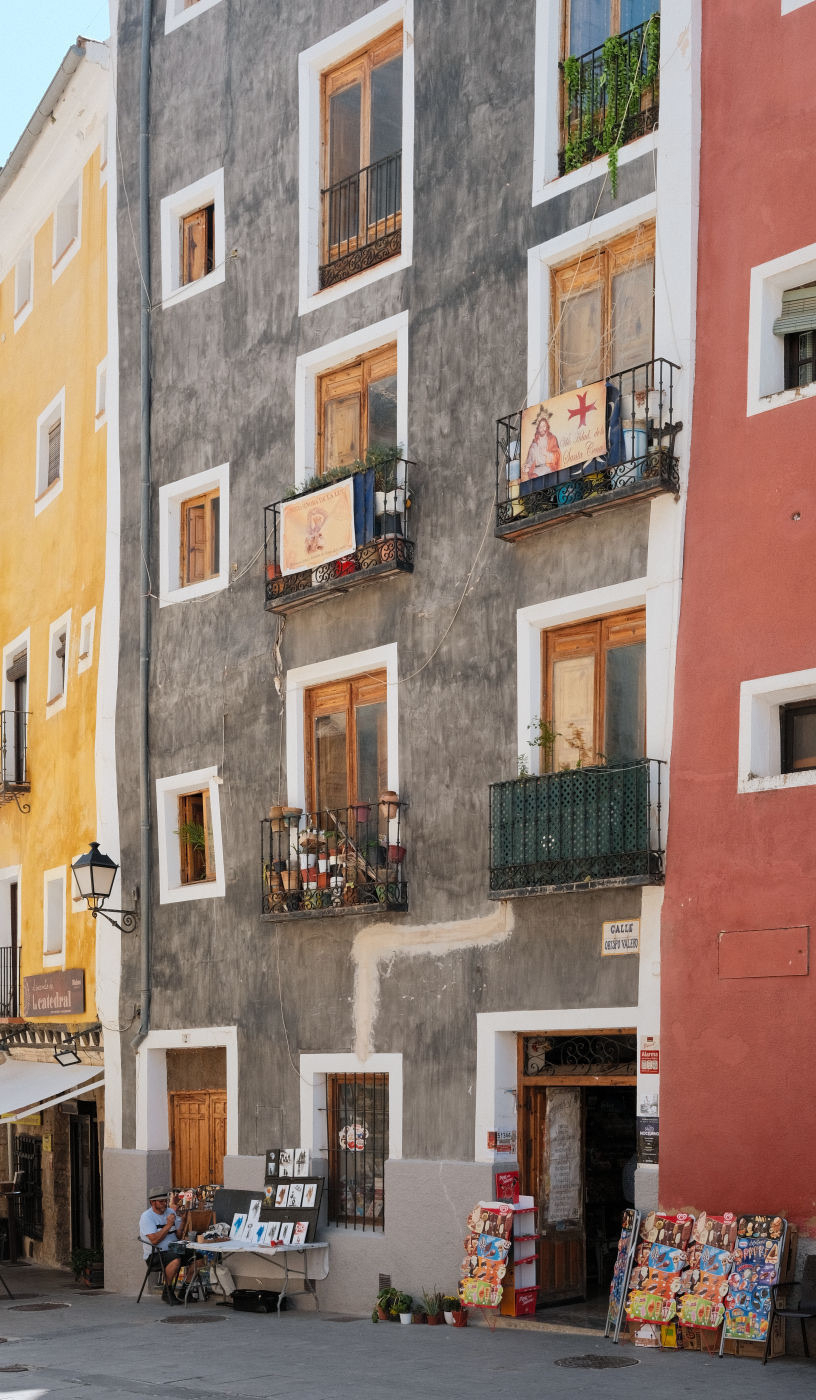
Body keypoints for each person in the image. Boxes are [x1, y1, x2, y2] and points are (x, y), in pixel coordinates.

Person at [139, 1188, 192, 1305]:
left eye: (166, 1201)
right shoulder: (147, 1217)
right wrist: (168, 1225)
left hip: (174, 1249)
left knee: (197, 1257)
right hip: (155, 1254)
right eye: (161, 1201)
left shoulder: (170, 1212)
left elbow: (178, 1236)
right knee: (175, 1258)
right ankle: (167, 1291)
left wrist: (182, 1221)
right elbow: (154, 1240)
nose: (165, 1204)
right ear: (153, 1202)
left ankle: (185, 1290)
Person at [522, 410, 561, 480]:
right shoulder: (534, 444)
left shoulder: (552, 439)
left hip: (548, 468)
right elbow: (530, 460)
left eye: (544, 426)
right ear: (538, 429)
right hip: (537, 470)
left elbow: (557, 455)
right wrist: (527, 466)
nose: (542, 429)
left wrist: (547, 453)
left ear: (547, 427)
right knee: (534, 478)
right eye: (540, 427)